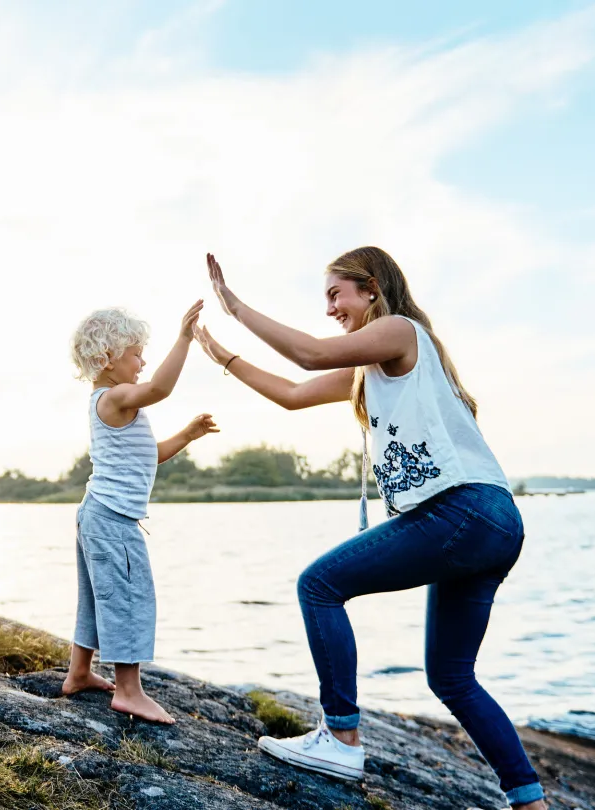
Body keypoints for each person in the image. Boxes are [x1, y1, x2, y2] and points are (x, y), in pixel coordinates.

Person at [194, 248, 547, 808]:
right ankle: (530, 800)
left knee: (319, 585)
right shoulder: (373, 366)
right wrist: (220, 354)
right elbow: (292, 395)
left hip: (461, 511)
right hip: (493, 521)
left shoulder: (399, 332)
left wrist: (233, 305)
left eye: (336, 294)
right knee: (452, 678)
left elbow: (308, 355)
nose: (331, 308)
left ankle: (340, 735)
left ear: (372, 288)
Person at [62, 302, 219, 724]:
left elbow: (149, 457)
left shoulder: (118, 404)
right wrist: (184, 338)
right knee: (128, 600)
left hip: (96, 515)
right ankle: (129, 691)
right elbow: (160, 388)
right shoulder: (115, 397)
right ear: (106, 359)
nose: (143, 361)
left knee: (97, 600)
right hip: (112, 521)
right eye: (135, 353)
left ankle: (79, 672)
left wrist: (187, 434)